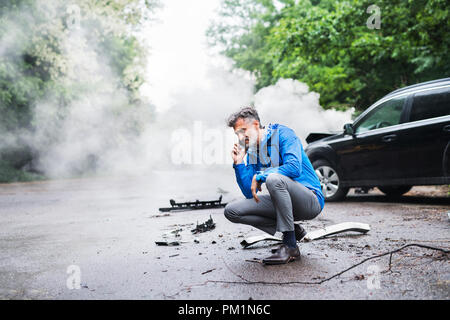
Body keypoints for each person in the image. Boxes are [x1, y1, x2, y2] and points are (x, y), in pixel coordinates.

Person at [224, 106, 325, 264]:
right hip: (284, 204)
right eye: (237, 134)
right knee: (232, 211)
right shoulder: (253, 152)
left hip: (310, 199)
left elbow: (294, 167)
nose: (241, 137)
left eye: (244, 130)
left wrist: (262, 175)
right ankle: (291, 229)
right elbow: (250, 194)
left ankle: (290, 246)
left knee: (273, 179)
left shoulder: (284, 134)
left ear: (256, 125)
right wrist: (239, 164)